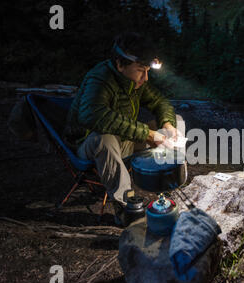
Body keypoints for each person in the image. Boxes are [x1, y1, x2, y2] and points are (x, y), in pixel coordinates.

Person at [63, 32, 183, 215]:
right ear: (120, 64)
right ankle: (128, 206)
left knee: (177, 123)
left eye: (148, 71)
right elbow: (93, 116)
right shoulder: (99, 80)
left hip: (125, 140)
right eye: (141, 70)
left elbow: (160, 102)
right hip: (89, 147)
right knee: (105, 139)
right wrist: (149, 134)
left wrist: (167, 125)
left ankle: (167, 178)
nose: (146, 78)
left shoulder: (134, 82)